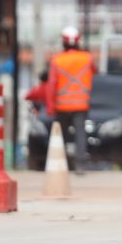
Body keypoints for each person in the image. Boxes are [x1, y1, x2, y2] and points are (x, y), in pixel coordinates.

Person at [46, 26, 96, 173]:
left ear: (64, 42)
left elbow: (51, 84)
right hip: (81, 104)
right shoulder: (87, 58)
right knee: (80, 134)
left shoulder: (57, 60)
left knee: (61, 135)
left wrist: (50, 105)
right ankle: (80, 164)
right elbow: (94, 71)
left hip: (62, 105)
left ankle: (61, 163)